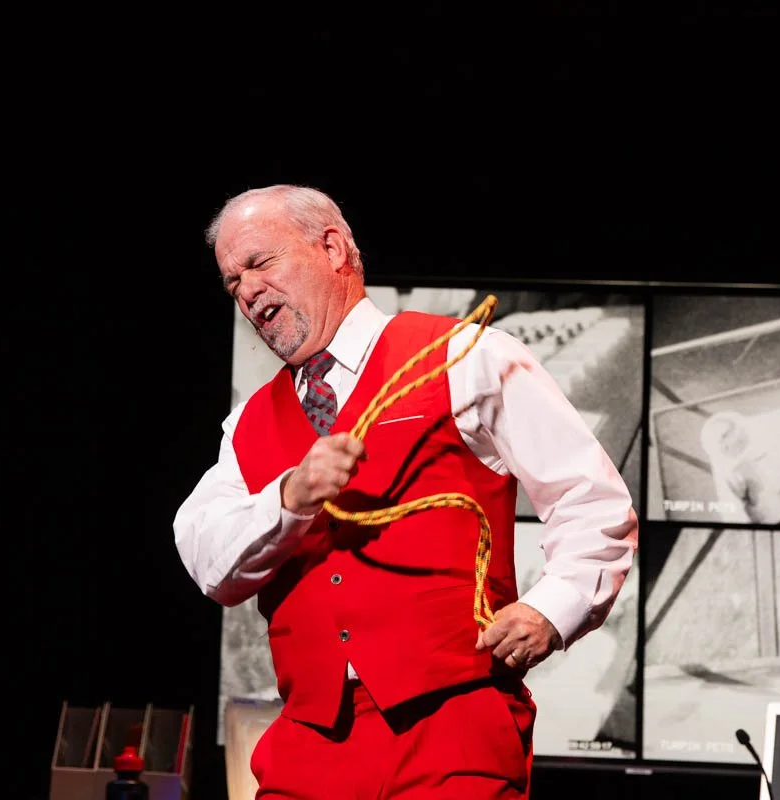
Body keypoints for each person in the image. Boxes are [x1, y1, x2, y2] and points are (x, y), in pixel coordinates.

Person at [174, 184, 638, 799]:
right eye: (232, 282)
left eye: (259, 263)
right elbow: (209, 562)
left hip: (453, 731)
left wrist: (553, 609)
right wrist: (290, 497)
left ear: (334, 247)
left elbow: (590, 497)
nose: (247, 292)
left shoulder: (465, 357)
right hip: (310, 746)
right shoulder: (250, 424)